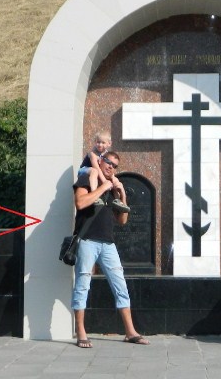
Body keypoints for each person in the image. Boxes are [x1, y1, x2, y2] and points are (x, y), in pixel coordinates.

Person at [71, 150, 149, 348]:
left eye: (115, 166)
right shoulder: (87, 178)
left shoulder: (112, 187)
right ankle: (81, 332)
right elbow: (80, 203)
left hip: (108, 243)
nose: (111, 167)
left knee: (120, 285)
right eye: (108, 162)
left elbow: (122, 220)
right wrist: (102, 187)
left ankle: (130, 332)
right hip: (87, 240)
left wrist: (122, 193)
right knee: (82, 285)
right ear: (100, 161)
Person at [79, 130, 129, 212]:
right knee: (94, 171)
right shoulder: (93, 154)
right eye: (98, 142)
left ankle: (117, 200)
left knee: (114, 179)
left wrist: (113, 179)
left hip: (95, 171)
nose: (100, 145)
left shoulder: (106, 154)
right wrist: (104, 181)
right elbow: (97, 168)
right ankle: (94, 195)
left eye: (103, 142)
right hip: (85, 169)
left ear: (109, 144)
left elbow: (108, 171)